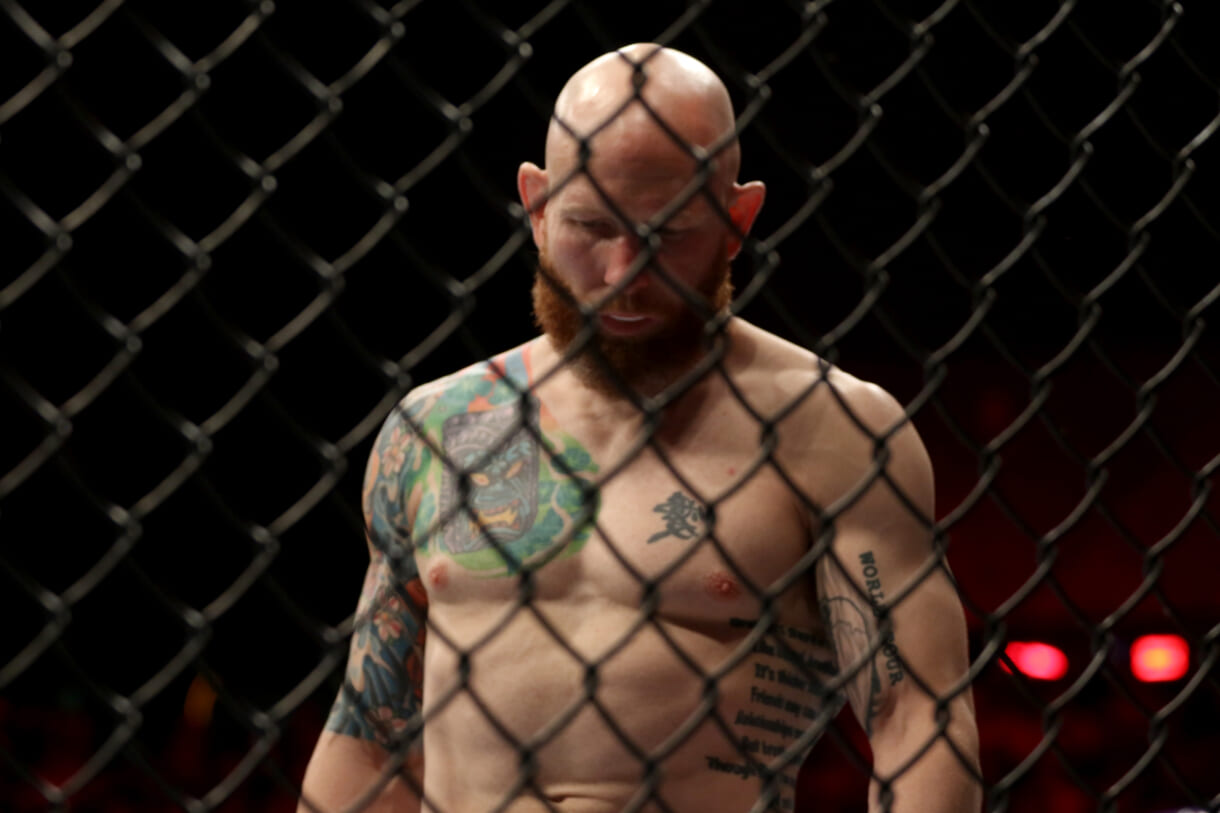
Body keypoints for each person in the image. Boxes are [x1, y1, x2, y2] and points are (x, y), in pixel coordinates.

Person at [298, 43, 981, 813]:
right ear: (537, 206)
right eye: (591, 225)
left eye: (668, 234)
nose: (623, 272)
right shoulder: (436, 430)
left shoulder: (834, 432)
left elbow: (918, 721)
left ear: (737, 220)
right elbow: (368, 734)